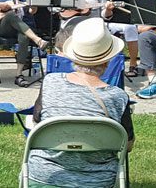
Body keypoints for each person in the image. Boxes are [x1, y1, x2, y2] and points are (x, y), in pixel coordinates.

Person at [27, 17, 133, 186]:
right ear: (107, 61)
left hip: (45, 177)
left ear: (73, 56)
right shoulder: (118, 97)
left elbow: (36, 122)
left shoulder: (50, 82)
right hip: (98, 181)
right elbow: (127, 145)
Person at [101, 0, 147, 77]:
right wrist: (108, 10)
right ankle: (105, 63)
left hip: (132, 21)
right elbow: (103, 13)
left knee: (129, 28)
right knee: (100, 27)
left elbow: (143, 9)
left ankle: (133, 64)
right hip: (112, 19)